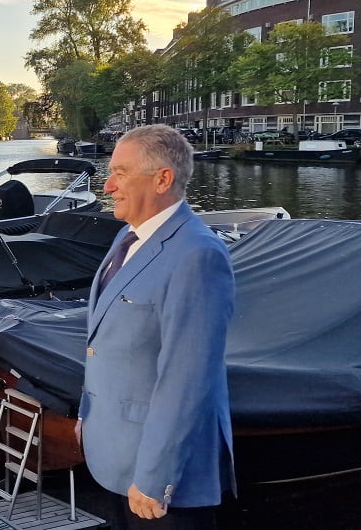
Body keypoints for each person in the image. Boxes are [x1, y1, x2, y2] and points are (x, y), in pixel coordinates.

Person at [77, 124, 236, 530]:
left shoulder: (197, 255)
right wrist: (87, 416)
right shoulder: (127, 237)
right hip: (113, 456)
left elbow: (187, 379)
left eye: (121, 173)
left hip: (161, 478)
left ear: (163, 178)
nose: (108, 185)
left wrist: (155, 476)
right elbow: (105, 340)